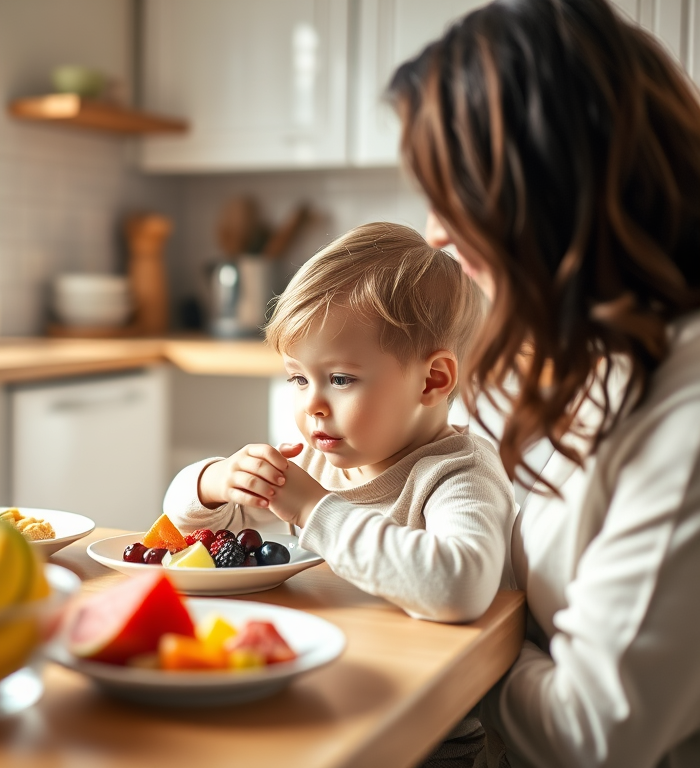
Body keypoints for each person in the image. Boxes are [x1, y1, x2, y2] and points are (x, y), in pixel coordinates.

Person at [388, 0, 700, 766]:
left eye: (451, 192)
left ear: (547, 195)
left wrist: (465, 644)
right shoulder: (565, 359)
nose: (432, 231)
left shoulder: (684, 420)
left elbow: (594, 735)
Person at [163, 221, 516, 626]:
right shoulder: (318, 464)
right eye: (298, 378)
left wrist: (314, 508)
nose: (312, 403)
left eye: (340, 379)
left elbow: (459, 589)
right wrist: (215, 481)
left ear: (432, 380)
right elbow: (181, 525)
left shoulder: (459, 474)